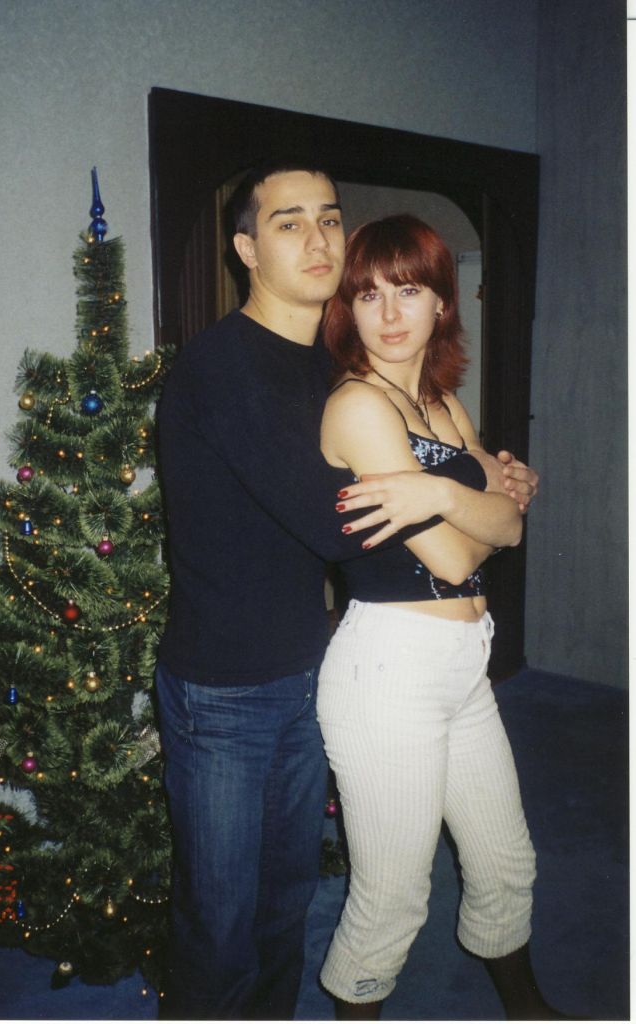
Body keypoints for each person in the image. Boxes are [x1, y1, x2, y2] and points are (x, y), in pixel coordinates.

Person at [155, 164, 538, 1020]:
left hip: (304, 660)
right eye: (288, 222)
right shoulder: (227, 367)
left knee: (285, 902)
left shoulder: (324, 363)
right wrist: (477, 489)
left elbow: (445, 486)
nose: (318, 237)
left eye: (328, 218)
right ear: (246, 248)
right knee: (219, 919)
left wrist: (471, 481)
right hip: (223, 686)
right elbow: (348, 527)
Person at [317, 213, 557, 1020]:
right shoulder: (357, 407)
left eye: (409, 291)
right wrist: (476, 505)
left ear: (440, 303)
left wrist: (444, 496)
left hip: (462, 668)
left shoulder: (440, 402)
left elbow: (508, 520)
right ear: (347, 309)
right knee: (391, 897)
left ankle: (527, 1009)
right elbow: (457, 558)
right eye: (369, 295)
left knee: (504, 862)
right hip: (388, 671)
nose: (389, 314)